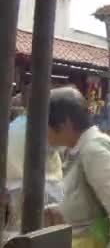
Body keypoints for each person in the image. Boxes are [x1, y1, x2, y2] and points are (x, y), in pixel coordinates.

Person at [48, 87, 110, 247]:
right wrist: (58, 210)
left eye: (45, 124)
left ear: (65, 124)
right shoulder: (77, 151)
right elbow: (89, 204)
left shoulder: (94, 151)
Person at [4, 87, 64, 241]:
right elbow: (61, 147)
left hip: (13, 188)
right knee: (46, 233)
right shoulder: (43, 126)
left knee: (20, 231)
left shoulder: (12, 126)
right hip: (46, 188)